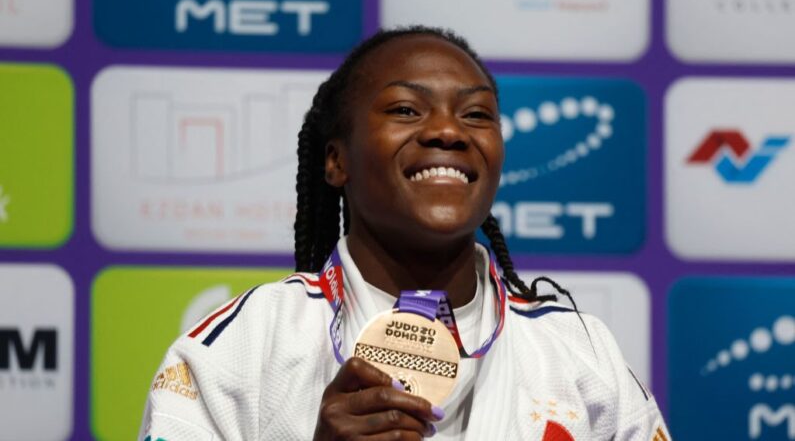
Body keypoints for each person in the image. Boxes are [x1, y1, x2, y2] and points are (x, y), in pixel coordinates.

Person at [139, 26, 670, 440]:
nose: (448, 131)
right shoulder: (243, 345)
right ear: (336, 160)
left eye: (477, 114)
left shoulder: (577, 350)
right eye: (406, 109)